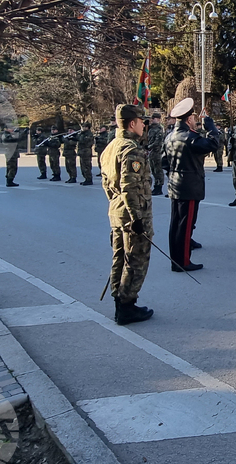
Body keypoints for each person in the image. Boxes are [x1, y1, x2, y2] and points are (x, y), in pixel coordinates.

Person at [100, 104, 154, 325]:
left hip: (116, 211)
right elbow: (129, 186)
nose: (144, 125)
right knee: (135, 260)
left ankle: (119, 301)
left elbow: (106, 183)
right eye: (142, 121)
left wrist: (118, 205)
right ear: (132, 123)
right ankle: (127, 307)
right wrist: (136, 218)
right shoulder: (131, 149)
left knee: (119, 259)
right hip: (133, 215)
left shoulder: (111, 146)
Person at [164, 98, 219, 272]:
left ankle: (176, 258)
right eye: (194, 118)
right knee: (185, 226)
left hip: (175, 185)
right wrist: (211, 128)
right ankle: (182, 262)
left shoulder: (170, 136)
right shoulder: (191, 138)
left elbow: (163, 162)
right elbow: (213, 144)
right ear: (188, 120)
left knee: (176, 224)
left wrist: (174, 174)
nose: (195, 120)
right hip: (189, 186)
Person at [146, 112, 166, 195]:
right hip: (151, 152)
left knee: (158, 170)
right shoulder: (150, 128)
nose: (152, 120)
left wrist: (149, 146)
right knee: (153, 170)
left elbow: (158, 142)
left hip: (157, 152)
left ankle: (159, 187)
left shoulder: (159, 129)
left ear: (158, 119)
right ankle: (155, 186)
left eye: (153, 119)